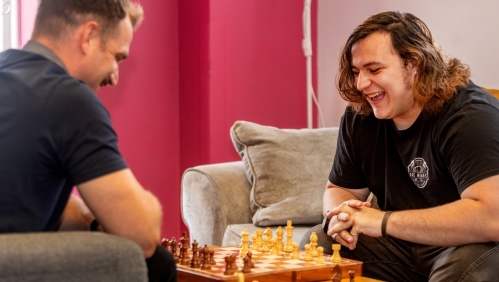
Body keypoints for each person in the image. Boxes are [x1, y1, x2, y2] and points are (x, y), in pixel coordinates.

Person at [299, 11, 499, 281]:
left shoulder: (470, 116)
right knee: (321, 243)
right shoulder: (361, 116)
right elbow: (340, 188)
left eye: (374, 69)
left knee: (463, 267)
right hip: (403, 247)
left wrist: (382, 222)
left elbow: (491, 217)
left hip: (469, 244)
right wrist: (342, 216)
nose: (361, 84)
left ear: (414, 64)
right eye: (357, 72)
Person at [0, 0, 176, 281]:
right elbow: (142, 234)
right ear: (89, 36)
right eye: (117, 57)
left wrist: (92, 220)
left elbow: (23, 194)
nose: (114, 78)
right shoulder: (68, 97)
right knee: (153, 261)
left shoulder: (7, 68)